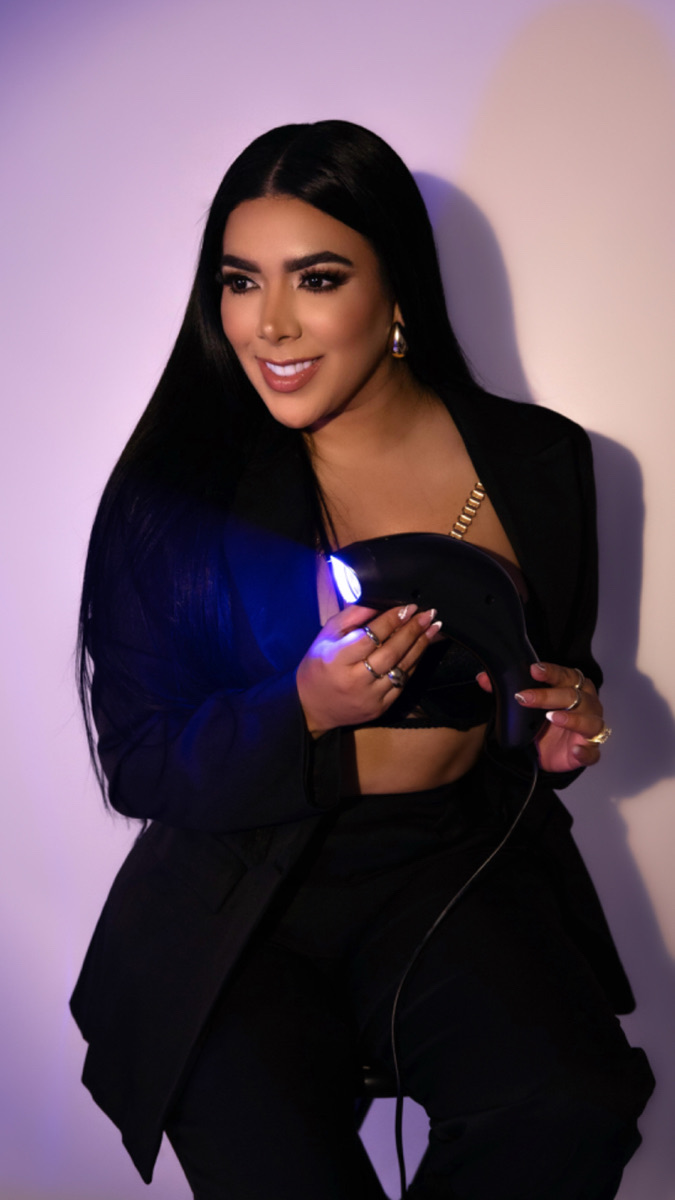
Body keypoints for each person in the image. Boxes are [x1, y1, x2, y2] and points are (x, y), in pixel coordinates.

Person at [71, 120, 654, 1199]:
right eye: (239, 281)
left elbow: (546, 679)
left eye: (317, 277)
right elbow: (140, 762)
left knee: (568, 1108)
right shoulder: (176, 490)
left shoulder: (540, 460)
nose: (269, 323)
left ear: (395, 293)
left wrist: (565, 725)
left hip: (457, 872)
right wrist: (301, 706)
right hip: (243, 895)